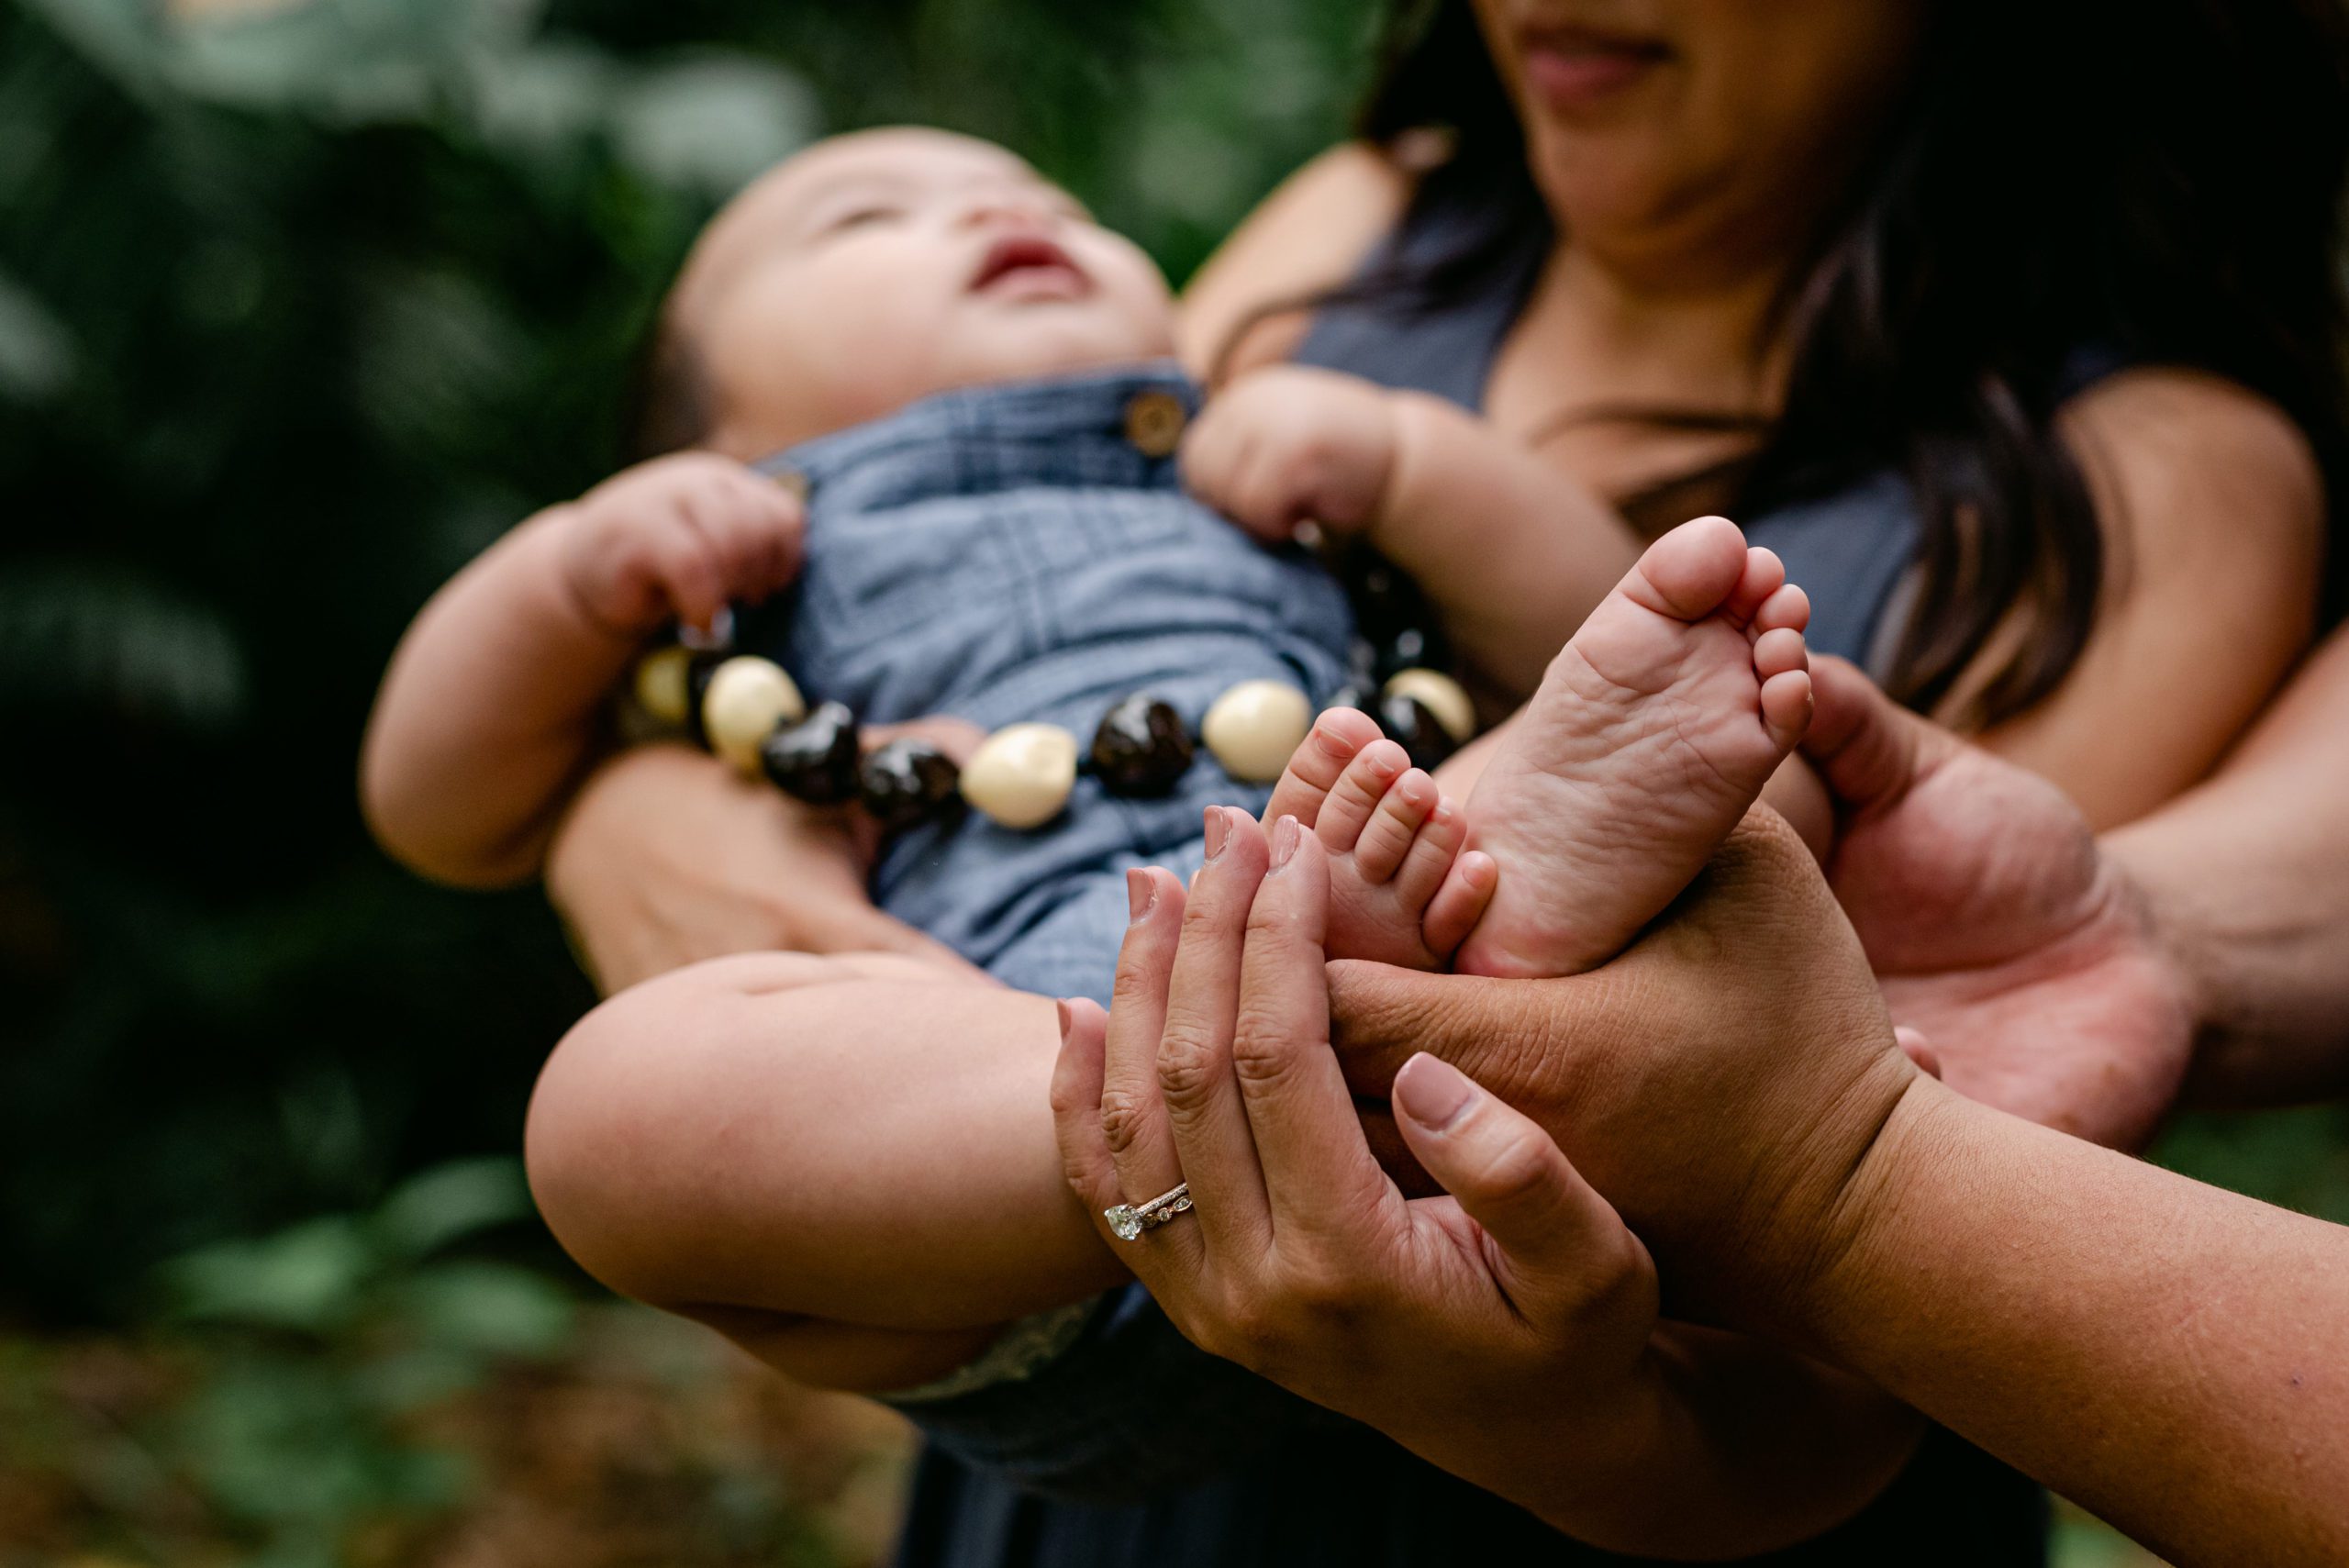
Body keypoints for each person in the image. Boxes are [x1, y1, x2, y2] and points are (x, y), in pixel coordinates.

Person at [526, 1, 2349, 1562]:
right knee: (614, 1122)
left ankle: (1277, 1014)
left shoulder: (2132, 475)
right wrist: (662, 790)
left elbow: (1865, 1125)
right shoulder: (1358, 225)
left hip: (1518, 1291)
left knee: (1772, 809)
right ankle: (1223, 1032)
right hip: (1021, 1136)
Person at [1046, 640, 2349, 1567]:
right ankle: (1467, 939)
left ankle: (1424, 952)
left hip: (1706, 1372)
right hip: (1692, 1336)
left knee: (1084, 1069)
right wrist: (2136, 940)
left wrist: (1838, 1169)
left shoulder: (2180, 450)